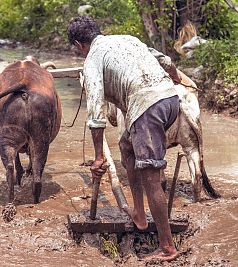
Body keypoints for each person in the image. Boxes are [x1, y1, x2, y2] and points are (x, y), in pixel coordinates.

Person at [67, 16, 182, 261]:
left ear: (79, 44)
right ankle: (139, 214)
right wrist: (176, 78)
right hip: (171, 101)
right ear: (99, 31)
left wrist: (98, 157)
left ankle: (167, 246)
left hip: (147, 107)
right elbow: (166, 61)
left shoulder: (92, 59)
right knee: (126, 146)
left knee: (151, 174)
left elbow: (96, 111)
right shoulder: (127, 39)